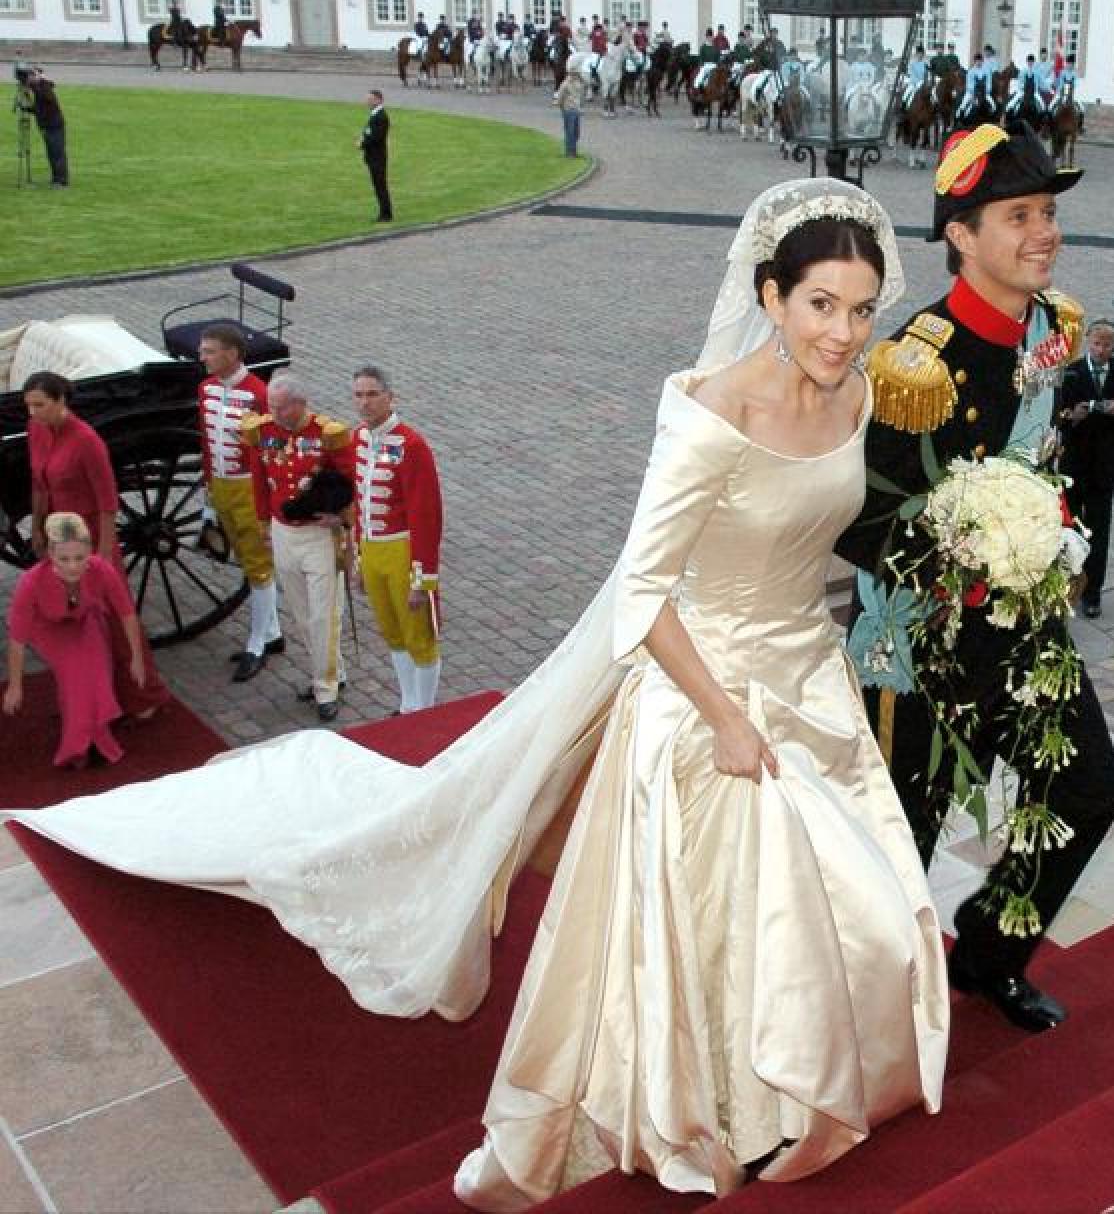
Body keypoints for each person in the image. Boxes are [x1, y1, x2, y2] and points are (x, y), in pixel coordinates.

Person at [9, 181, 948, 1206]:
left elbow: (827, 530)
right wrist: (724, 718)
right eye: (821, 304)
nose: (844, 332)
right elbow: (642, 591)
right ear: (771, 297)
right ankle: (723, 1107)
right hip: (704, 695)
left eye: (862, 309)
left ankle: (803, 1092)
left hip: (811, 679)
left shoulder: (858, 396)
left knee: (844, 904)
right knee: (744, 913)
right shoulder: (713, 413)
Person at [835, 122, 1114, 1032]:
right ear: (962, 235)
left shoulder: (1055, 327)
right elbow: (855, 516)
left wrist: (1053, 526)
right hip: (917, 645)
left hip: (1021, 624)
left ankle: (989, 953)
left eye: (1047, 211)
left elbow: (1044, 454)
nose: (1044, 230)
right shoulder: (914, 362)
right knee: (900, 842)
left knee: (1087, 791)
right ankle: (861, 1017)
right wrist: (966, 557)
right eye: (1019, 214)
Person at [23, 371, 168, 719]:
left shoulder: (87, 441)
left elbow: (107, 502)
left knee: (113, 618)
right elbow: (40, 485)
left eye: (40, 405)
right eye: (28, 406)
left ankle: (141, 693)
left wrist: (102, 555)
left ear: (61, 401)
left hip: (90, 539)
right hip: (61, 536)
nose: (33, 413)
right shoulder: (37, 431)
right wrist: (39, 528)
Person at [242, 376, 353, 722]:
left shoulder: (328, 434)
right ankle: (335, 671)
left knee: (324, 615)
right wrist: (263, 525)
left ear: (300, 404)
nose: (272, 413)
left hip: (319, 536)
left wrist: (344, 519)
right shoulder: (262, 432)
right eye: (270, 407)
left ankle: (325, 687)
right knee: (303, 614)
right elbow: (259, 480)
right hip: (283, 532)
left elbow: (352, 481)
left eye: (279, 407)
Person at [4, 513, 145, 768]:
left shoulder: (101, 569)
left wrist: (137, 658)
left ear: (90, 552)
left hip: (85, 618)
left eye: (79, 558)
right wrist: (15, 686)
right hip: (47, 628)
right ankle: (76, 747)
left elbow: (126, 613)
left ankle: (99, 738)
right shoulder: (31, 582)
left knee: (98, 672)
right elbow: (17, 640)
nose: (72, 566)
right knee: (74, 676)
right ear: (50, 554)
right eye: (64, 559)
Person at [348, 367, 443, 713]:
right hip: (373, 550)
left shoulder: (411, 445)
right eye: (359, 395)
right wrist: (359, 558)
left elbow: (426, 516)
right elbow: (361, 502)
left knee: (419, 635)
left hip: (403, 551)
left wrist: (422, 579)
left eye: (372, 394)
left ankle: (426, 708)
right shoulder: (358, 439)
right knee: (392, 631)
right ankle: (408, 703)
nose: (364, 403)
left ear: (390, 397)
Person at [196, 324, 283, 679]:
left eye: (210, 351)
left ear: (232, 354)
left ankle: (257, 643)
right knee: (249, 563)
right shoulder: (205, 390)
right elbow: (206, 444)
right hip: (222, 485)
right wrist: (209, 500)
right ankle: (273, 632)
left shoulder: (259, 394)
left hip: (250, 490)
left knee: (259, 566)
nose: (202, 357)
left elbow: (272, 454)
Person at [1059, 319, 1114, 618]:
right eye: (1096, 343)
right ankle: (1064, 587)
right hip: (1073, 465)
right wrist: (1072, 416)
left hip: (1104, 467)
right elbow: (1056, 415)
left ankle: (1092, 593)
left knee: (1098, 533)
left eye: (1107, 345)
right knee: (1066, 530)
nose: (1101, 349)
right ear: (1087, 341)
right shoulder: (1071, 373)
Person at [26, 67, 68, 188]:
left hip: (55, 126)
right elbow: (40, 108)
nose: (29, 78)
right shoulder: (39, 89)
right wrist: (27, 108)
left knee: (57, 153)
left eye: (31, 76)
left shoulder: (45, 88)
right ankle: (56, 179)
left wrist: (41, 80)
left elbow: (48, 98)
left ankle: (62, 181)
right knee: (51, 153)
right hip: (47, 126)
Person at [358, 88, 392, 223]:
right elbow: (370, 132)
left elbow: (376, 137)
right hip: (374, 155)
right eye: (368, 99)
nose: (368, 102)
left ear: (378, 100)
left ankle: (386, 214)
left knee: (380, 185)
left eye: (370, 99)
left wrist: (362, 143)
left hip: (377, 156)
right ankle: (384, 212)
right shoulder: (375, 115)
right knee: (378, 185)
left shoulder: (381, 116)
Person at [554, 65, 583, 156]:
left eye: (577, 74)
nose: (576, 75)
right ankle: (570, 152)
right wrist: (559, 104)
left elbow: (580, 94)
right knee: (570, 131)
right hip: (568, 109)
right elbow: (560, 96)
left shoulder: (578, 83)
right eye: (574, 74)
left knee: (576, 132)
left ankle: (573, 150)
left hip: (576, 109)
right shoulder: (565, 84)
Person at [903, 43, 928, 107]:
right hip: (913, 81)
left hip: (921, 81)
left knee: (916, 92)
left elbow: (926, 74)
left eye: (921, 54)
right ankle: (904, 106)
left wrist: (924, 81)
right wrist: (914, 81)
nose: (920, 55)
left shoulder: (924, 63)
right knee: (907, 92)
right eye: (919, 54)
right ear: (916, 54)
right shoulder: (912, 63)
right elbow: (911, 73)